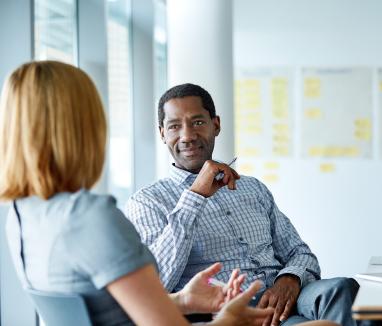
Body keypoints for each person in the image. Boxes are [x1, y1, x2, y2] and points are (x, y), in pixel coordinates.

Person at [0, 61, 275, 326]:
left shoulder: (21, 214)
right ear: (84, 128)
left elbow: (102, 313)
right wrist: (230, 320)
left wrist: (183, 300)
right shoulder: (91, 217)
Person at [126, 83, 360, 326]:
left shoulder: (252, 188)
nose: (187, 136)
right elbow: (157, 282)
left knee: (341, 289)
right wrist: (194, 197)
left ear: (215, 125)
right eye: (175, 126)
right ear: (163, 133)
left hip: (287, 297)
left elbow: (299, 253)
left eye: (197, 123)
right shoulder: (147, 202)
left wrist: (290, 278)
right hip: (230, 313)